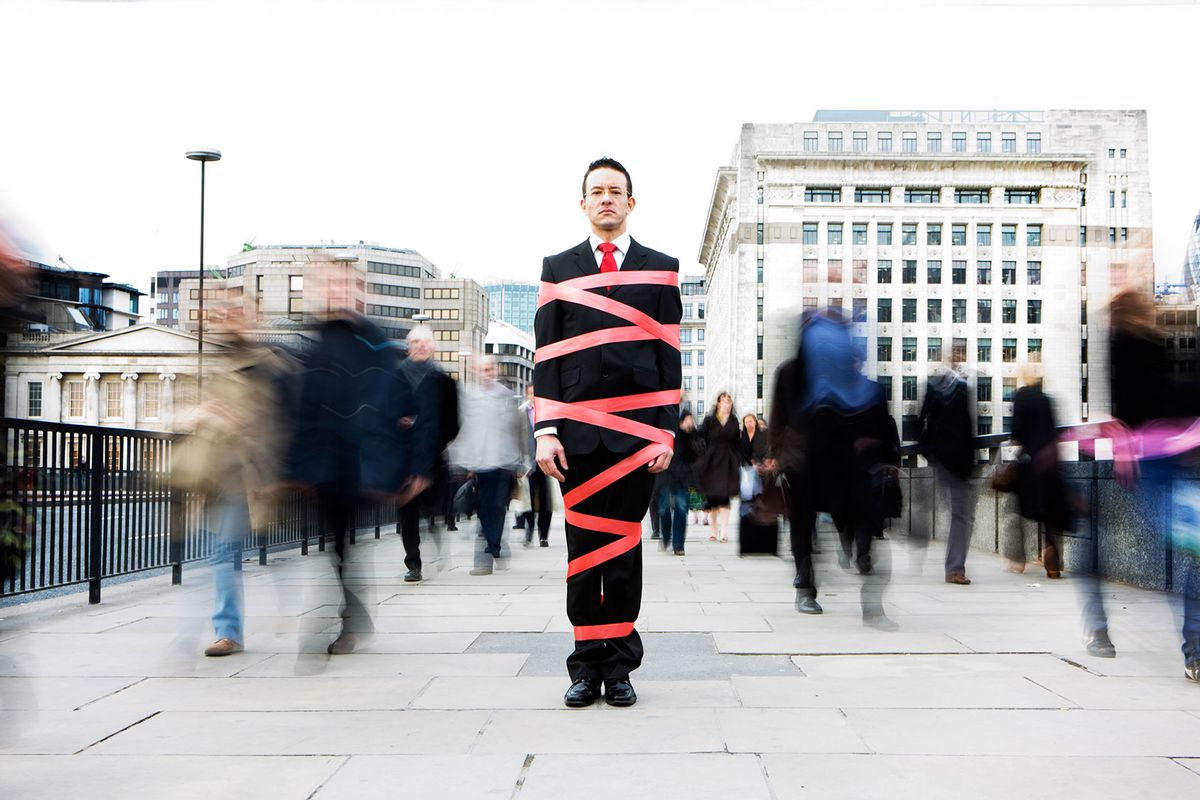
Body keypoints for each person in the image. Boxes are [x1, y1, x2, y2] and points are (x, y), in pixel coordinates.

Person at [534, 157, 681, 709]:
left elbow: (669, 359)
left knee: (622, 554)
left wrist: (665, 433)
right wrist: (545, 429)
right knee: (581, 554)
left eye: (615, 191)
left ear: (630, 202)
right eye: (597, 191)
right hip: (574, 439)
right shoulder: (558, 268)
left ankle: (618, 668)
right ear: (584, 204)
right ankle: (583, 667)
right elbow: (546, 357)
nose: (606, 199)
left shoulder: (661, 270)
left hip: (635, 442)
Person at [289, 263, 428, 655]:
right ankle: (352, 615)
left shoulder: (376, 342)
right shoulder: (316, 341)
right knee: (335, 545)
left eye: (343, 283)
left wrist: (408, 467)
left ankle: (346, 619)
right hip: (326, 463)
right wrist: (296, 466)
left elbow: (400, 406)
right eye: (327, 283)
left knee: (342, 543)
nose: (335, 291)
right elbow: (304, 407)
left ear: (358, 291)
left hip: (362, 462)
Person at [769, 308, 899, 626]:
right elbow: (779, 418)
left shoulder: (853, 380)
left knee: (858, 520)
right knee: (802, 524)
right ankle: (805, 586)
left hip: (842, 461)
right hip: (801, 460)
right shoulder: (791, 373)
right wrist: (777, 456)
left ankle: (866, 583)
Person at [1102, 288, 1200, 678]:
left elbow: (1126, 411)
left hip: (1156, 458)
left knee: (1190, 552)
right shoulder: (1143, 344)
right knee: (1191, 553)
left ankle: (1195, 649)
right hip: (1168, 455)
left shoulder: (1128, 345)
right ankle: (1194, 649)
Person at [451, 355, 529, 575]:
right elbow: (463, 429)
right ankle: (492, 546)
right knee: (485, 507)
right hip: (480, 461)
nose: (487, 373)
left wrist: (522, 458)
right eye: (482, 369)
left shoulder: (505, 396)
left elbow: (518, 428)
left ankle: (491, 547)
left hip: (504, 461)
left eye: (489, 369)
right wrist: (464, 461)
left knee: (497, 506)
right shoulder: (467, 395)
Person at [398, 325, 459, 582]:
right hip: (402, 457)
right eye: (415, 342)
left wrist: (437, 441)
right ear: (408, 347)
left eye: (425, 342)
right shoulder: (395, 377)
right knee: (407, 510)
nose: (421, 346)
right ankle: (413, 562)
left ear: (433, 346)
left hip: (433, 456)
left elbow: (454, 423)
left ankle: (434, 528)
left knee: (431, 505)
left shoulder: (444, 382)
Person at [915, 363, 977, 585]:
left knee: (959, 515)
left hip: (956, 463)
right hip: (948, 461)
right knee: (960, 515)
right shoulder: (942, 387)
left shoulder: (960, 387)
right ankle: (954, 569)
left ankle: (954, 568)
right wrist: (932, 454)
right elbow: (920, 422)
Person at [1010, 364, 1071, 580]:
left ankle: (1018, 558)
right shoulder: (1046, 399)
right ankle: (1052, 560)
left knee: (1020, 510)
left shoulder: (1021, 398)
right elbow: (1054, 432)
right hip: (1049, 463)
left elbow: (1016, 430)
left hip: (1029, 462)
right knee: (1050, 514)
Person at [696, 392, 741, 543]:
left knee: (725, 498)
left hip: (727, 463)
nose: (726, 403)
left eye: (729, 401)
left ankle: (724, 532)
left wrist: (737, 460)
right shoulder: (709, 420)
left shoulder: (734, 421)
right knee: (713, 499)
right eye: (723, 401)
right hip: (711, 462)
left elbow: (737, 443)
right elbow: (700, 436)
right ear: (718, 403)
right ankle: (714, 530)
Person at [658, 410, 700, 555]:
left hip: (683, 478)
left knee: (681, 510)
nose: (689, 422)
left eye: (691, 420)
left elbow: (698, 453)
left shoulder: (691, 437)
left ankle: (678, 545)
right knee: (664, 511)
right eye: (687, 420)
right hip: (665, 476)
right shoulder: (670, 432)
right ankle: (665, 537)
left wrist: (691, 434)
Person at [518, 384, 554, 547]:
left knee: (546, 501)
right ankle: (529, 531)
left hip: (546, 462)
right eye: (531, 393)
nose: (533, 396)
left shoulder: (548, 412)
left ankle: (543, 535)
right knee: (528, 500)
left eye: (535, 393)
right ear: (527, 395)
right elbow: (517, 439)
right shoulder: (521, 412)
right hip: (528, 465)